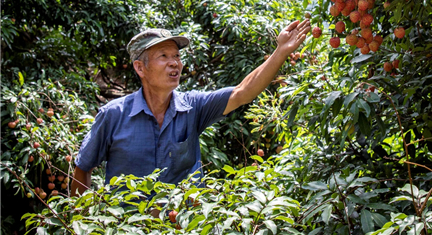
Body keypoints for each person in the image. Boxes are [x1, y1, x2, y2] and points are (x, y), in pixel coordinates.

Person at [71, 20, 311, 197]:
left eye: (176, 55)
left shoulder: (192, 107)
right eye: (163, 56)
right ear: (140, 68)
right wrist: (80, 222)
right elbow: (83, 168)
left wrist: (280, 51)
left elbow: (242, 92)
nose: (174, 62)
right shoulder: (114, 115)